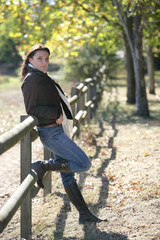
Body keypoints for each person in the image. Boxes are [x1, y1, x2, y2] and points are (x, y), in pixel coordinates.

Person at [21, 43, 106, 224]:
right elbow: (31, 109)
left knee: (67, 173)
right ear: (30, 59)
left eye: (46, 59)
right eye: (40, 59)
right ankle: (44, 166)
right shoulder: (31, 79)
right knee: (83, 163)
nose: (44, 63)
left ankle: (84, 214)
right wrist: (55, 114)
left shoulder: (41, 76)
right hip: (51, 132)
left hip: (55, 130)